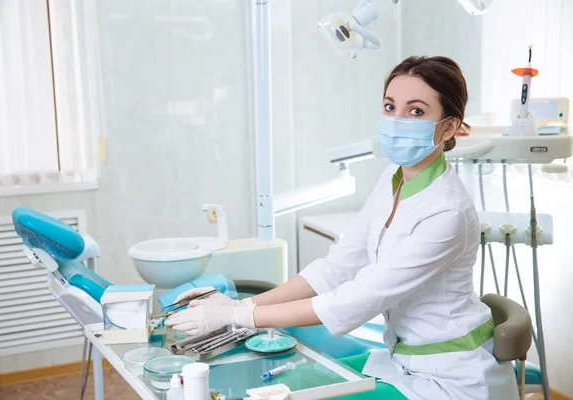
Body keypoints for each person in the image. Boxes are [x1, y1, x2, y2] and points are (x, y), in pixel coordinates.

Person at [165, 56, 519, 399]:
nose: (396, 119)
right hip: (401, 359)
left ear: (449, 127)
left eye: (416, 111)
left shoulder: (447, 212)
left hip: (449, 377)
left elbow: (356, 299)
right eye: (389, 106)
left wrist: (241, 315)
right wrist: (239, 306)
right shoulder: (391, 180)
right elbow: (337, 267)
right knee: (293, 386)